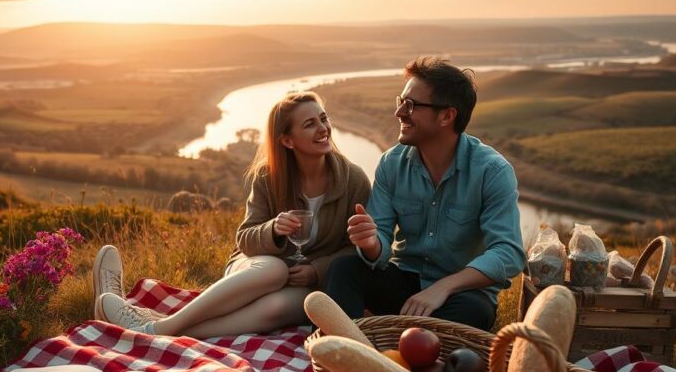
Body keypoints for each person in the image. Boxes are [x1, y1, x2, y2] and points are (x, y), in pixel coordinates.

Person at [93, 91, 371, 338]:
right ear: (287, 140)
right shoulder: (268, 177)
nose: (323, 129)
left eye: (323, 119)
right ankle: (161, 326)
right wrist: (273, 229)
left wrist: (316, 270)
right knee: (274, 270)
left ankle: (161, 329)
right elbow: (245, 239)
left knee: (284, 306)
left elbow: (356, 249)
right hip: (256, 268)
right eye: (310, 124)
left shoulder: (354, 180)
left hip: (306, 283)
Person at [325, 56, 526, 331]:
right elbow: (380, 244)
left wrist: (443, 287)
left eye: (410, 105)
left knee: (473, 311)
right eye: (400, 101)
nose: (399, 112)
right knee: (344, 269)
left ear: (447, 116)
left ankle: (391, 338)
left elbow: (508, 253)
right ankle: (344, 346)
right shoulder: (391, 163)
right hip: (404, 282)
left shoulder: (492, 171)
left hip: (460, 292)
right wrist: (371, 243)